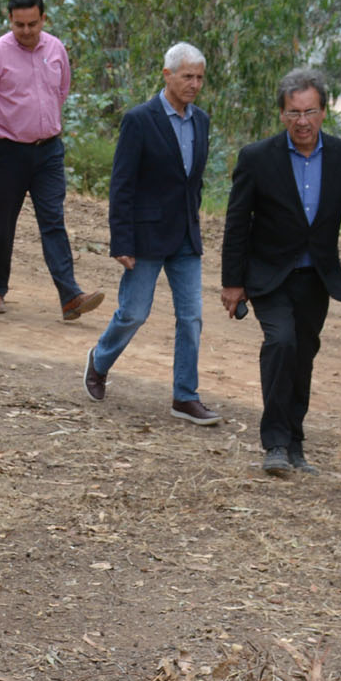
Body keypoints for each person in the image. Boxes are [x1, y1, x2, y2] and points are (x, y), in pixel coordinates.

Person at [220, 69, 341, 477]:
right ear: (281, 115)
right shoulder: (257, 158)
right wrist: (233, 282)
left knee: (303, 355)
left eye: (310, 111)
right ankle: (274, 442)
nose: (302, 121)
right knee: (281, 342)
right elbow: (237, 223)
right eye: (294, 113)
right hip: (268, 274)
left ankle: (294, 442)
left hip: (318, 277)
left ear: (324, 112)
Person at [83, 42, 219, 424]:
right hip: (145, 236)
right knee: (134, 313)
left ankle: (184, 396)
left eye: (199, 78)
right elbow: (122, 183)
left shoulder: (201, 121)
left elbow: (194, 182)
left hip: (186, 239)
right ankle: (100, 360)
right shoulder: (140, 120)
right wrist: (121, 239)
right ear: (167, 75)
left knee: (191, 317)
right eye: (187, 76)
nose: (194, 84)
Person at [0, 0, 104, 323]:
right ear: (10, 21)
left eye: (33, 23)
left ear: (43, 19)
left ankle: (70, 297)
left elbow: (61, 91)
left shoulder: (56, 49)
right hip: (8, 152)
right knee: (3, 223)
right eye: (19, 25)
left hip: (48, 152)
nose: (27, 31)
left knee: (53, 222)